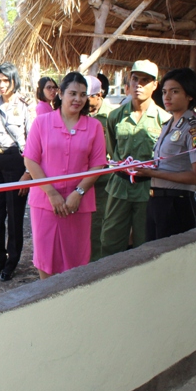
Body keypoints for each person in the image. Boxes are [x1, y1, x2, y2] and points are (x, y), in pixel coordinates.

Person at [24, 72, 106, 278]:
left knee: (77, 259)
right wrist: (51, 193)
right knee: (46, 257)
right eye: (72, 93)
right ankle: (47, 301)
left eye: (83, 94)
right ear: (60, 94)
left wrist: (78, 193)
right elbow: (31, 160)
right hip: (44, 203)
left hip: (78, 204)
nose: (78, 99)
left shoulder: (94, 127)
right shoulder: (41, 123)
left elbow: (98, 164)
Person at [100, 59, 169, 258]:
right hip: (120, 187)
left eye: (145, 81)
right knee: (111, 242)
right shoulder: (115, 116)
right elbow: (113, 151)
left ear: (155, 85)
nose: (138, 85)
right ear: (129, 81)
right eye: (135, 79)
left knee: (145, 245)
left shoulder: (163, 119)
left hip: (148, 190)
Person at [133, 68, 196, 241]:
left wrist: (152, 173)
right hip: (156, 202)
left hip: (177, 203)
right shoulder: (168, 124)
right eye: (165, 92)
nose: (167, 97)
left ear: (189, 95)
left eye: (175, 92)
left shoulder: (194, 128)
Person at [0, 62, 31, 282]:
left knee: (15, 215)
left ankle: (12, 262)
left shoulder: (25, 106)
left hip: (15, 161)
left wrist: (28, 171)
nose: (1, 85)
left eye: (5, 81)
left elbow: (32, 140)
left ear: (13, 81)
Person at [86, 75, 113, 262]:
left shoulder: (113, 116)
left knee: (99, 226)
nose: (82, 100)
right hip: (81, 180)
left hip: (104, 181)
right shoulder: (79, 115)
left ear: (99, 95)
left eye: (86, 96)